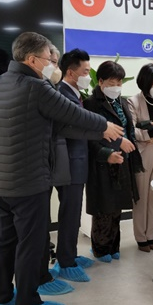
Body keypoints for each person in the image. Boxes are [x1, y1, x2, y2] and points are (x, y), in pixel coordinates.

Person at [0, 32, 122, 305]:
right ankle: (27, 304)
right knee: (31, 244)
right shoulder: (36, 86)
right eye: (49, 59)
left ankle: (3, 299)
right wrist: (104, 126)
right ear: (32, 59)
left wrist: (97, 132)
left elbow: (53, 125)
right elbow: (72, 114)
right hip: (28, 182)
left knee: (7, 241)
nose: (52, 65)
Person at [49, 48, 107, 282]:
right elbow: (72, 129)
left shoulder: (74, 93)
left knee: (73, 213)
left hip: (78, 163)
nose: (87, 75)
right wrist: (104, 131)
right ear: (71, 72)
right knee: (69, 214)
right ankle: (65, 262)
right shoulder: (61, 94)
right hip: (69, 165)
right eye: (85, 71)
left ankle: (70, 254)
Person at [84, 61, 143, 262]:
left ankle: (113, 245)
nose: (116, 86)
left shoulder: (121, 102)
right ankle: (100, 248)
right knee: (104, 207)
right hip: (102, 162)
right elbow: (91, 136)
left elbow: (129, 128)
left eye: (119, 83)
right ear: (100, 82)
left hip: (122, 160)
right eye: (111, 82)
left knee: (117, 205)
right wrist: (109, 151)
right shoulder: (91, 104)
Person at [128, 63, 153, 252]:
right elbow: (132, 130)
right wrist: (152, 135)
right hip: (142, 152)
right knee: (141, 197)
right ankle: (140, 237)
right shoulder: (133, 102)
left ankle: (150, 234)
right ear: (144, 82)